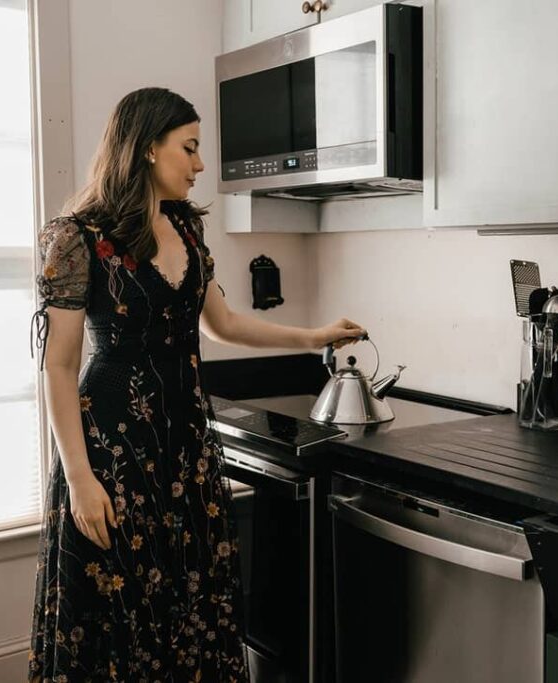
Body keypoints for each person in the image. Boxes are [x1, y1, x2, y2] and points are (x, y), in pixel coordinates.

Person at [27, 87, 365, 683]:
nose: (201, 164)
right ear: (148, 148)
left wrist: (315, 335)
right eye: (190, 148)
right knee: (120, 622)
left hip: (185, 454)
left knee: (187, 613)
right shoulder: (77, 238)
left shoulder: (186, 229)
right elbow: (59, 366)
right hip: (112, 460)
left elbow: (225, 325)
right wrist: (78, 477)